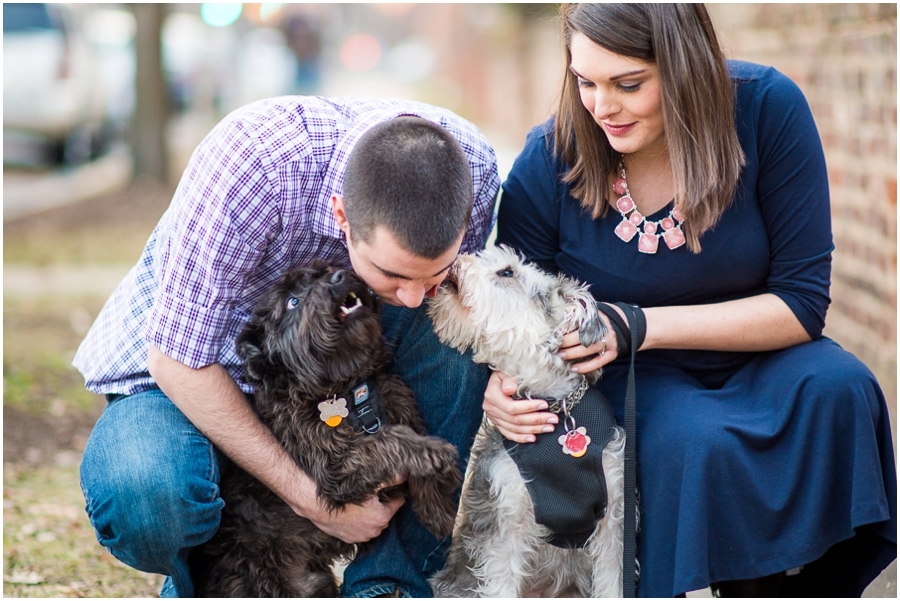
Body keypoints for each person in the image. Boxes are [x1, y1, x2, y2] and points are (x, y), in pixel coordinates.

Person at [487, 3, 897, 597]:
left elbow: (804, 303)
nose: (602, 106)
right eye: (586, 82)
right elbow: (513, 305)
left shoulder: (765, 110)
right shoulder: (551, 157)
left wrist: (641, 322)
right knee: (696, 438)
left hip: (761, 347)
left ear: (684, 68)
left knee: (840, 388)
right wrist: (501, 383)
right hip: (630, 374)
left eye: (629, 84)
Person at [74, 97, 499, 597]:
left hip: (352, 373)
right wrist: (315, 500)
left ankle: (389, 584)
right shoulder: (252, 169)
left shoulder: (468, 168)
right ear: (342, 214)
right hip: (195, 372)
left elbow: (478, 296)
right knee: (146, 498)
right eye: (393, 273)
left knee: (449, 317)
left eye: (431, 271)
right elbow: (178, 359)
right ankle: (212, 580)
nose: (411, 296)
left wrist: (505, 373)